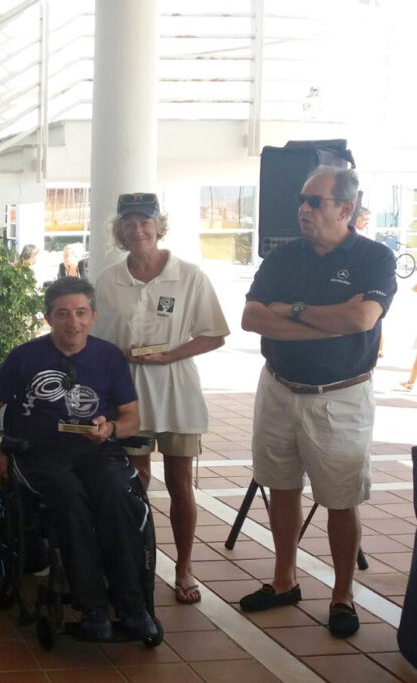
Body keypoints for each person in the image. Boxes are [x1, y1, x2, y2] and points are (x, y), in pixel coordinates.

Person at [239, 166, 396, 638]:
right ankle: (284, 579)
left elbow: (362, 318)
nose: (303, 209)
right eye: (302, 201)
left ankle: (342, 594)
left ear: (346, 209)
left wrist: (293, 310)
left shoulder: (374, 258)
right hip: (279, 388)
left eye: (315, 202)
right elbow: (251, 318)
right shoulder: (284, 255)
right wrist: (324, 321)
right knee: (281, 487)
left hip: (340, 397)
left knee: (340, 499)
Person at [0, 277, 157, 640]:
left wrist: (109, 427)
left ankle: (133, 606)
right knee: (70, 501)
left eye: (80, 313)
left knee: (115, 499)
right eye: (62, 314)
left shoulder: (108, 356)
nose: (72, 322)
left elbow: (132, 419)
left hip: (96, 451)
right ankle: (93, 607)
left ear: (93, 316)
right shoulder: (25, 356)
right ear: (48, 318)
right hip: (40, 455)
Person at [94, 192, 229, 605]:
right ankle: (137, 560)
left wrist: (171, 353)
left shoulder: (188, 276)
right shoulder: (108, 279)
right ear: (119, 230)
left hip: (176, 391)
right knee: (134, 484)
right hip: (128, 393)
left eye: (145, 222)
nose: (138, 230)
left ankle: (184, 566)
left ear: (158, 225)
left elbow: (215, 334)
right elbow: (97, 340)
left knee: (180, 484)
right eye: (130, 224)